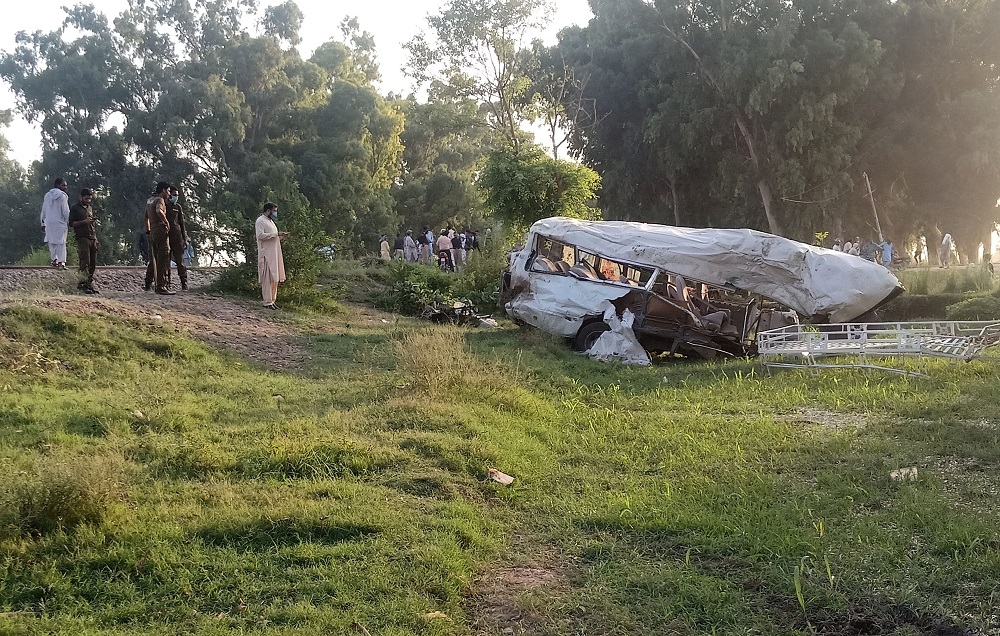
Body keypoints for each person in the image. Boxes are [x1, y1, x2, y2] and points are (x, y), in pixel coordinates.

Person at [144, 181, 175, 295]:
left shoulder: (149, 200)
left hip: (152, 231)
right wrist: (166, 223)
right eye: (168, 191)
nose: (169, 194)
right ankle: (161, 286)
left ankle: (148, 282)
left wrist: (148, 231)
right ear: (163, 190)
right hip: (161, 231)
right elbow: (159, 210)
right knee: (163, 258)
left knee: (154, 258)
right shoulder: (159, 200)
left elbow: (146, 218)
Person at [256, 202, 288, 310]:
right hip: (266, 254)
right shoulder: (260, 221)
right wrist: (276, 234)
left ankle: (272, 300)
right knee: (267, 279)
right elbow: (260, 235)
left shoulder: (271, 222)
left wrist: (281, 235)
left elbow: (273, 237)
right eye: (274, 210)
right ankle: (267, 301)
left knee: (275, 279)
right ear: (268, 210)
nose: (275, 213)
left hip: (274, 253)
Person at [69, 188, 99, 294]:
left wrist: (96, 238)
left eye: (90, 199)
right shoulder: (75, 208)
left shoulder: (89, 208)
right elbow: (71, 223)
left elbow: (92, 225)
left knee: (93, 263)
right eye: (86, 198)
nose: (88, 200)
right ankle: (82, 284)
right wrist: (84, 222)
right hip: (82, 238)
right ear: (80, 197)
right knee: (84, 261)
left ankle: (88, 283)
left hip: (92, 237)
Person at [40, 178, 70, 269]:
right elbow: (65, 210)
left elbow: (44, 209)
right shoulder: (62, 196)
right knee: (61, 242)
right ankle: (61, 262)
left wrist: (42, 222)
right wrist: (68, 220)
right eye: (63, 185)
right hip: (60, 222)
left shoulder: (47, 195)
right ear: (58, 185)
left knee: (51, 241)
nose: (65, 187)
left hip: (49, 221)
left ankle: (54, 260)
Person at [164, 186, 189, 290]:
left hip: (177, 237)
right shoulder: (164, 205)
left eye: (177, 195)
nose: (176, 197)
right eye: (174, 195)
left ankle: (184, 282)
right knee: (166, 261)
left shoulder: (178, 207)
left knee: (180, 260)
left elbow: (182, 223)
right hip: (167, 236)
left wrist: (185, 238)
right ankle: (167, 282)